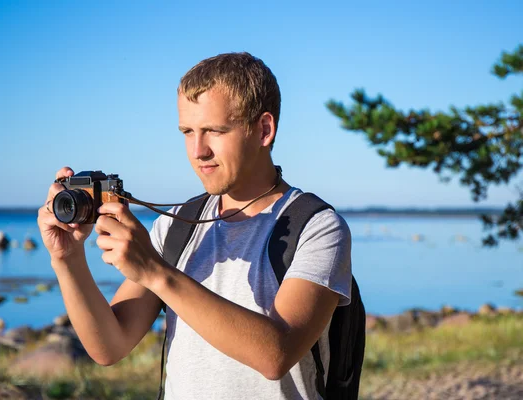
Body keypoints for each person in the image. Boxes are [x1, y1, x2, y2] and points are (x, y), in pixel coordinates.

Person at [38, 52, 352, 399]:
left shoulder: (317, 227)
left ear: (264, 129)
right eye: (187, 131)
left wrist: (156, 272)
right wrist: (67, 261)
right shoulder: (174, 228)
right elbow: (109, 346)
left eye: (215, 131)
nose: (198, 150)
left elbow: (275, 354)